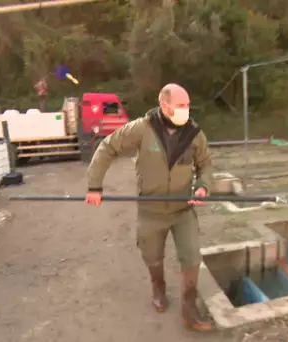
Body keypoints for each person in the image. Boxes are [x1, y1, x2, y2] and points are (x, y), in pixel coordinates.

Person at [85, 83, 214, 331]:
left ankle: (189, 307)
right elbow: (107, 147)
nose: (186, 110)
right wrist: (94, 186)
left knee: (192, 257)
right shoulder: (141, 129)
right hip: (151, 211)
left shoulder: (194, 133)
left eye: (187, 105)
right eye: (180, 105)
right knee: (152, 256)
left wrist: (203, 186)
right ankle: (159, 288)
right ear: (164, 105)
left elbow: (205, 164)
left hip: (182, 210)